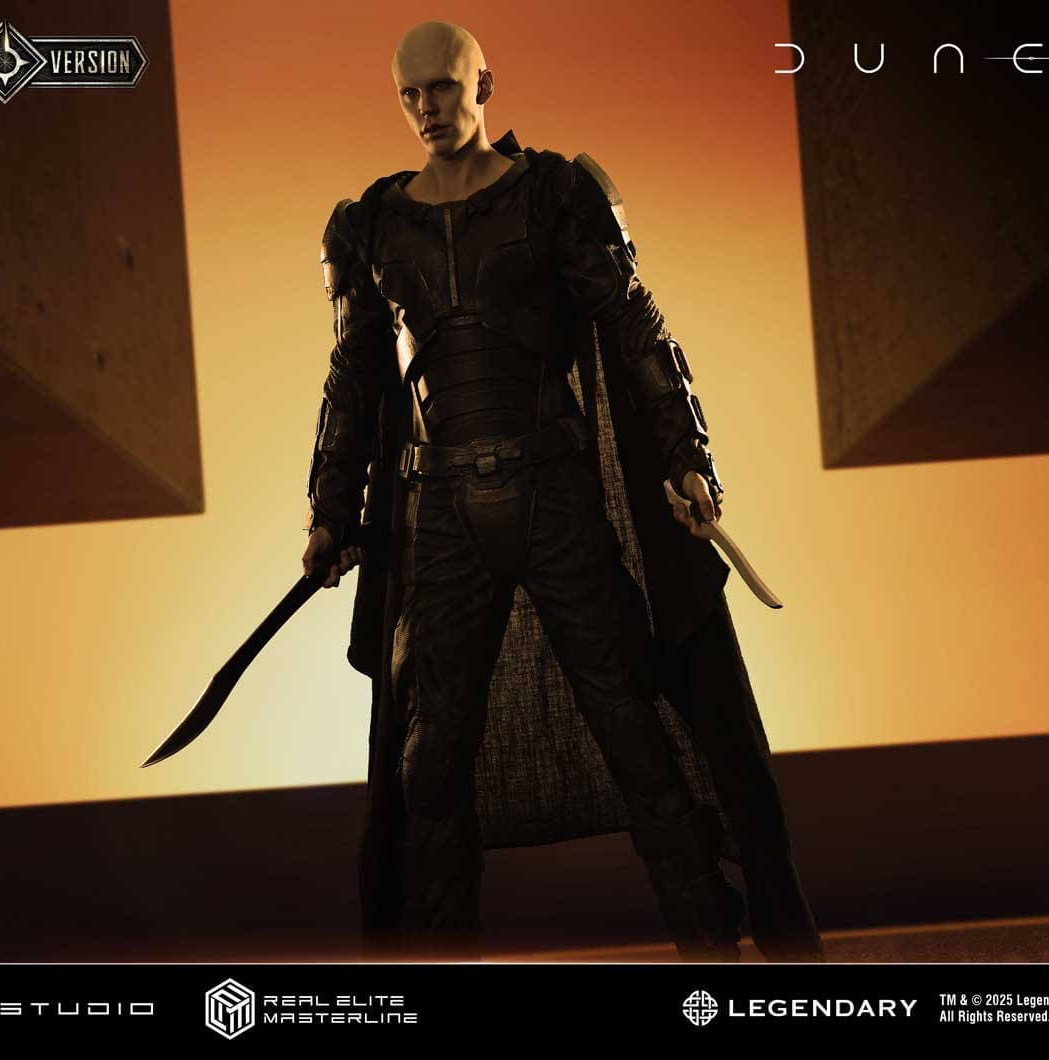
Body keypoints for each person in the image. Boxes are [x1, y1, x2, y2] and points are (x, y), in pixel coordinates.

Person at [301, 21, 822, 961]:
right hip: (440, 515)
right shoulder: (373, 222)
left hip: (555, 496)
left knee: (633, 731)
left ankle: (712, 946)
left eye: (442, 87)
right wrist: (329, 513)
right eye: (409, 93)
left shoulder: (551, 195)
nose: (426, 108)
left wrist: (685, 455)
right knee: (431, 761)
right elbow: (354, 377)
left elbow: (633, 326)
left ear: (483, 83)